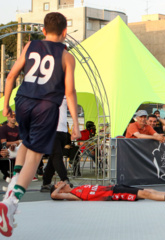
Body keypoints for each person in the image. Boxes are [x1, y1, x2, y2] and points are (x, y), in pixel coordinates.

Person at [0, 12, 81, 237]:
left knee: (26, 142)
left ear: (43, 31)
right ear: (65, 32)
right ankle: (11, 204)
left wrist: (5, 104)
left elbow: (10, 77)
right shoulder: (66, 57)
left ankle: (13, 182)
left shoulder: (29, 46)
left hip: (23, 100)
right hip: (46, 106)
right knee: (35, 159)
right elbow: (70, 91)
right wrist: (75, 123)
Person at [50, 181, 165, 202]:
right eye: (57, 184)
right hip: (113, 195)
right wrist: (58, 187)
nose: (60, 182)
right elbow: (53, 195)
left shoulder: (78, 187)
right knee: (146, 194)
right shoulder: (72, 195)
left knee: (146, 190)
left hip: (113, 188)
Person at [41, 97, 73, 192]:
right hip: (50, 129)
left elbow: (72, 104)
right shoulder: (46, 91)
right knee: (57, 155)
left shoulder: (65, 92)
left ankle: (46, 183)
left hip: (63, 130)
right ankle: (65, 179)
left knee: (53, 158)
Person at [0, 114, 21, 180]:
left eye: (15, 116)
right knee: (4, 151)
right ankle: (7, 172)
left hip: (16, 149)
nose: (13, 118)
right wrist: (17, 142)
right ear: (8, 118)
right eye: (11, 117)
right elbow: (4, 143)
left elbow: (21, 142)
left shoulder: (18, 129)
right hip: (5, 149)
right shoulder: (3, 128)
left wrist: (15, 144)